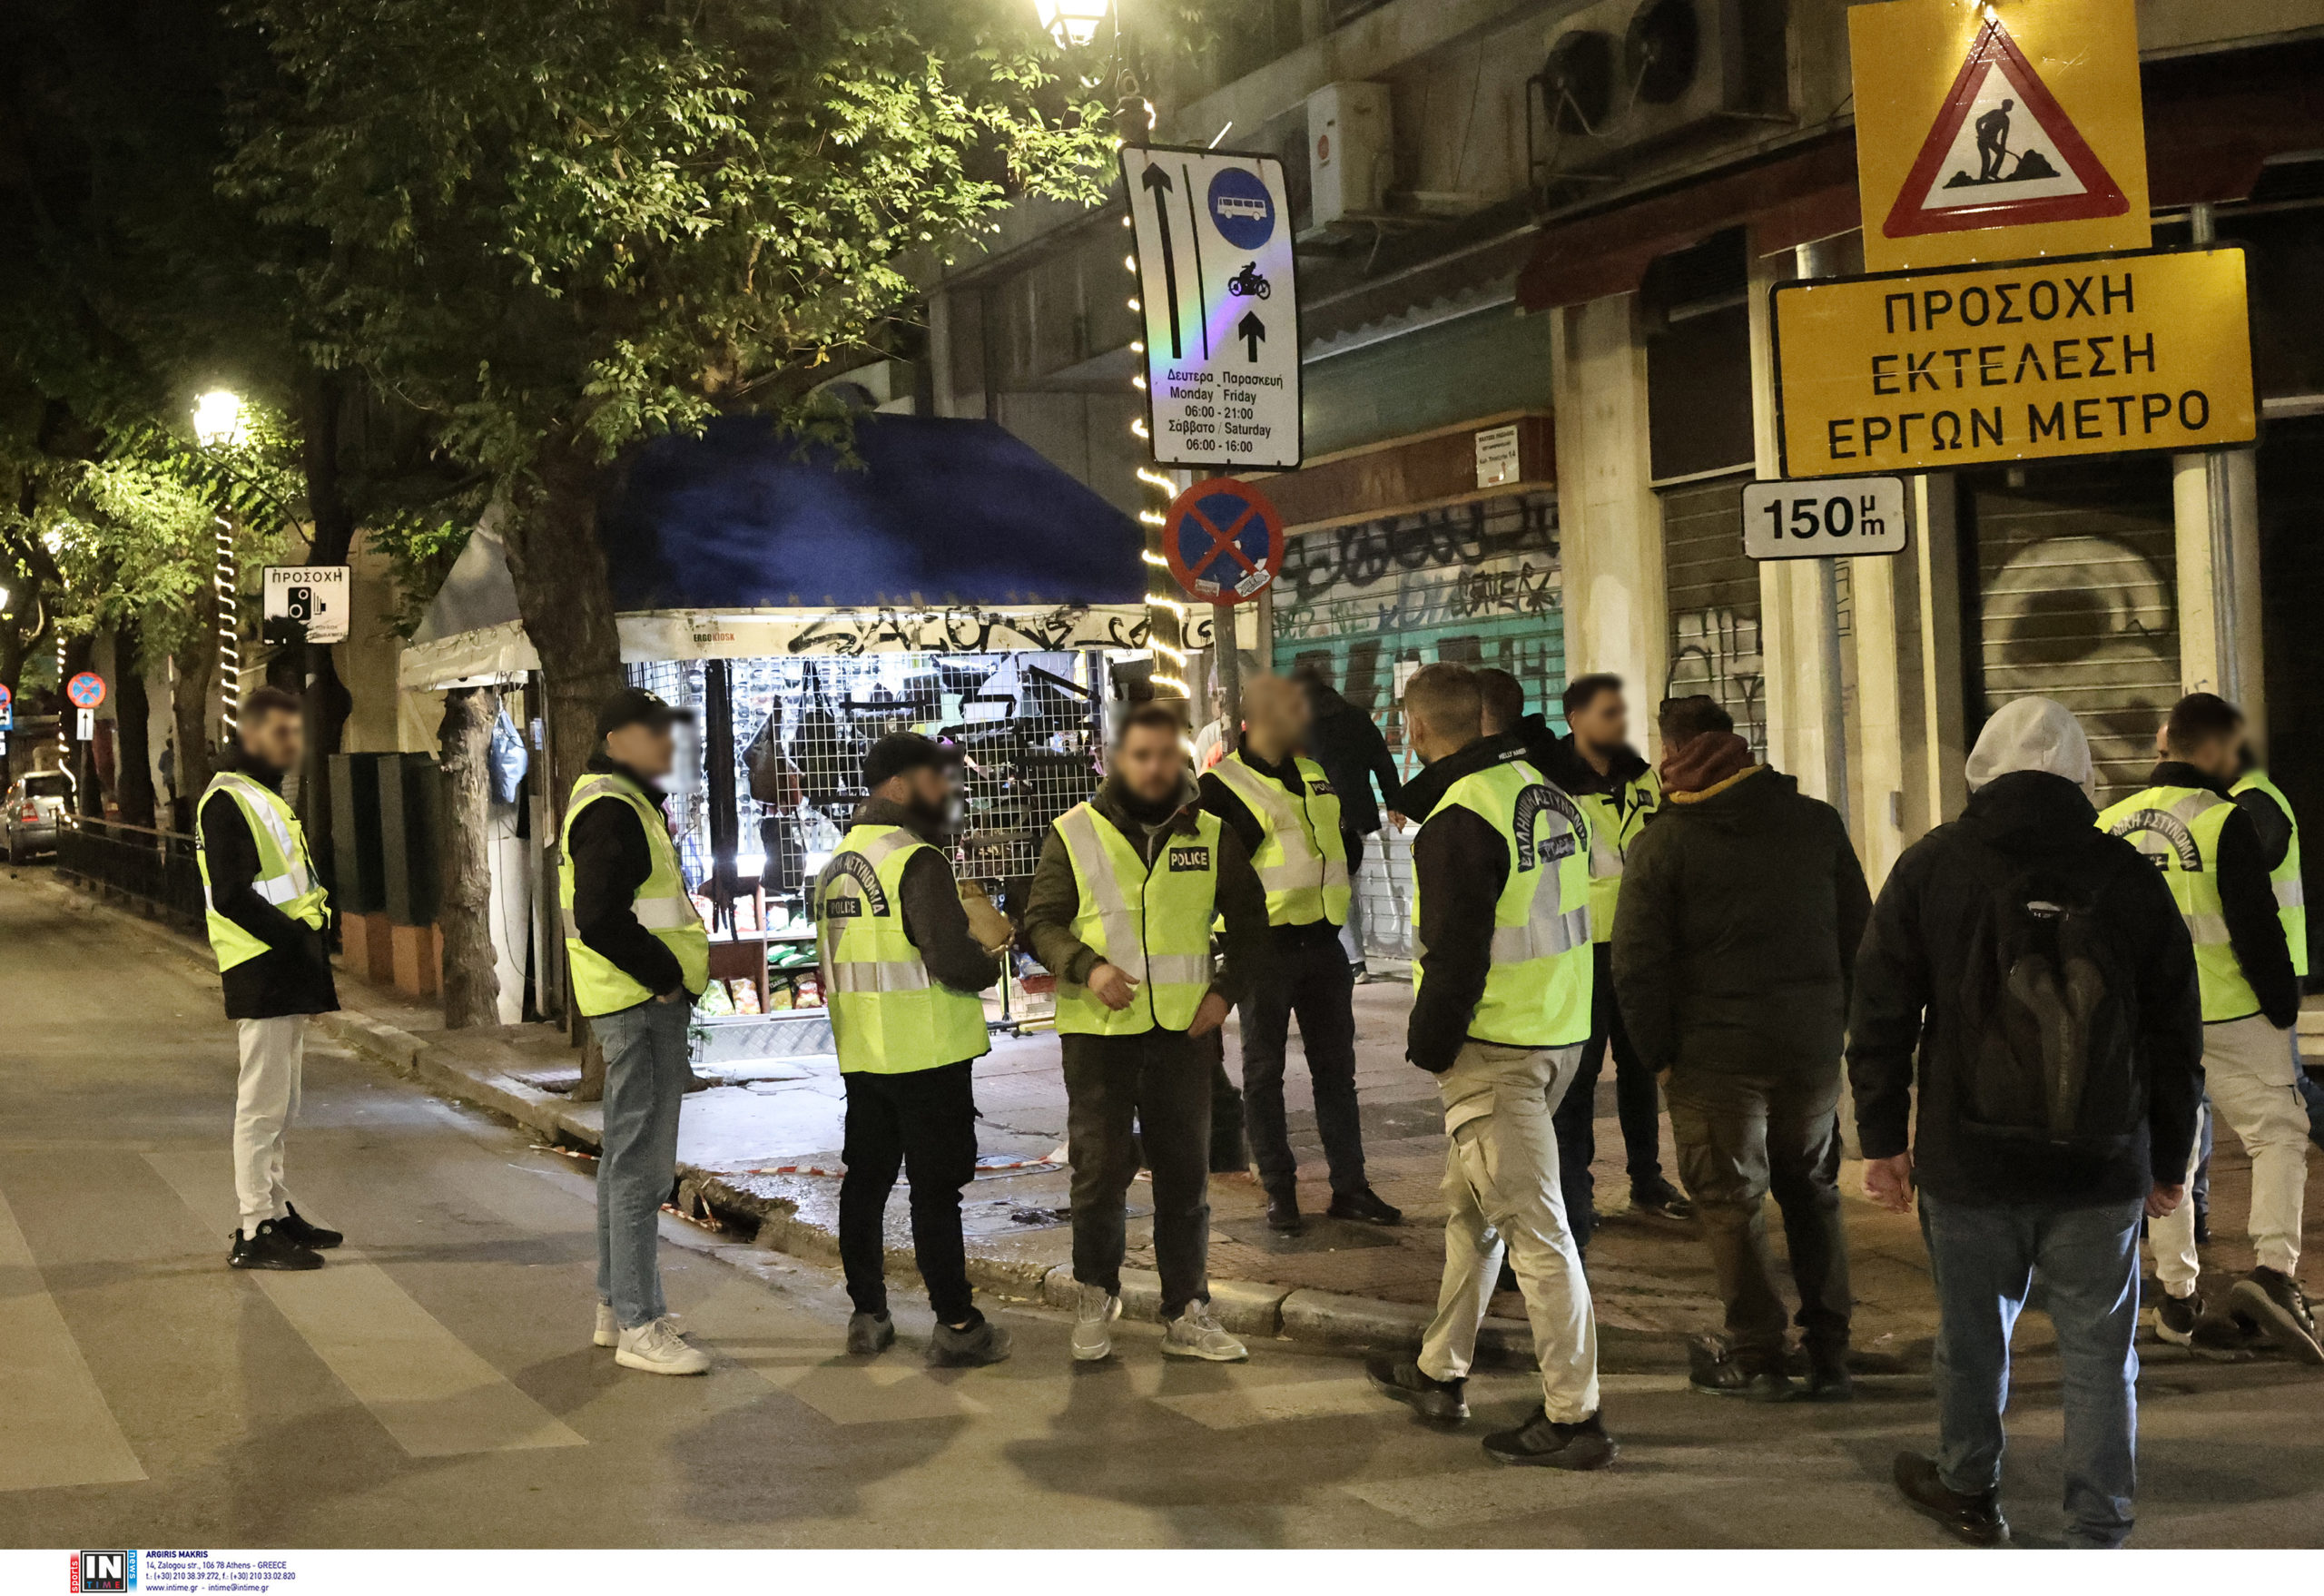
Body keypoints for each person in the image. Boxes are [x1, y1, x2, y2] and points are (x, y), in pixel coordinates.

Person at [1850, 697, 2203, 1549]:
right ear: (2083, 773)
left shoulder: (1934, 866)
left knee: (1972, 1337)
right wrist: (2170, 1159)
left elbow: (1881, 1013)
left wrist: (1884, 1143)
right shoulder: (2127, 875)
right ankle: (2098, 1523)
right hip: (2101, 1160)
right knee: (2100, 1353)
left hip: (1970, 1157)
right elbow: (2174, 1033)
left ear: (1983, 768)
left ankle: (1968, 1486)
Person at [1364, 664, 1616, 1470]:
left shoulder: (1459, 818)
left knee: (1537, 1233)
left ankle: (1575, 1417)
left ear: (1416, 731)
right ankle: (1439, 1370)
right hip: (1558, 1033)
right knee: (1471, 1213)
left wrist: (1432, 1047)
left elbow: (1454, 955)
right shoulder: (1545, 792)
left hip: (1496, 1049)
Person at [1613, 695, 1868, 1402]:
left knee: (1730, 1202)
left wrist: (1659, 1056)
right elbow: (1859, 933)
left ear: (1671, 752)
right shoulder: (1815, 822)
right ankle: (1831, 1352)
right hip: (1808, 1048)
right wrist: (1834, 1024)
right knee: (1813, 1191)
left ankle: (1758, 1353)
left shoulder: (1665, 841)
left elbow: (1636, 964)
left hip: (1712, 1056)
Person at [1023, 701, 1273, 1363]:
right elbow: (1040, 923)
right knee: (1099, 1175)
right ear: (1115, 760)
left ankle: (1187, 1310)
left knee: (1185, 1179)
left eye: (1167, 755)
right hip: (1098, 1034)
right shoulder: (1073, 833)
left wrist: (1224, 995)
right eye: (1142, 755)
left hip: (1182, 1036)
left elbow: (1253, 929)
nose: (1156, 767)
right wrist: (1088, 967)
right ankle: (1095, 1292)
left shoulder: (1212, 834)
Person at [2099, 693, 2317, 1361]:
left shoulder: (2109, 823)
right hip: (2230, 1011)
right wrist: (2282, 1005)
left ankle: (2177, 1300)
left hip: (2148, 1018)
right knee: (2277, 1133)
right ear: (2217, 748)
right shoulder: (2223, 821)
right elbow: (2255, 926)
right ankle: (2274, 1275)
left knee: (2174, 1148)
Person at [817, 732, 1012, 1367]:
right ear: (900, 785)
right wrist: (989, 954)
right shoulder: (916, 860)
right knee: (935, 1192)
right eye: (935, 778)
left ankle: (867, 1316)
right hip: (926, 1054)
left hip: (864, 1053)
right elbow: (952, 960)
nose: (945, 790)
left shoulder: (838, 862)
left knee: (865, 1183)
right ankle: (957, 1323)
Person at [1483, 670, 1690, 1241]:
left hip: (1641, 946)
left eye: (1622, 712)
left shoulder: (1641, 776)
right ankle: (1578, 1193)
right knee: (1579, 1076)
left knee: (1642, 1066)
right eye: (1607, 713)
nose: (1619, 723)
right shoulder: (1551, 781)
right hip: (1583, 947)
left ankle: (1647, 1179)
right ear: (1575, 719)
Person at [1201, 674, 1401, 1232]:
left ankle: (1351, 1187)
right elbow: (1215, 878)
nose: (1306, 717)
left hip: (1323, 944)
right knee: (1264, 1073)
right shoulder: (1221, 787)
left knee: (1337, 1072)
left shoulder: (1313, 772)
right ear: (1262, 717)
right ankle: (1280, 1190)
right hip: (1264, 950)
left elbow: (1339, 842)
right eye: (1294, 708)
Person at [562, 686, 713, 1375]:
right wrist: (663, 977)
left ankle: (618, 1305)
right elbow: (600, 915)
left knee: (625, 1163)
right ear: (616, 739)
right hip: (640, 1004)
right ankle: (638, 1326)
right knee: (641, 1169)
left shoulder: (616, 799)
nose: (667, 744)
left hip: (630, 1003)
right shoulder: (613, 807)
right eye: (654, 732)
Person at [200, 687, 342, 1272]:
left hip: (285, 965)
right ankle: (254, 1226)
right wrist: (292, 941)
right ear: (251, 734)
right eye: (282, 733)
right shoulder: (228, 799)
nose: (293, 745)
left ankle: (277, 1210)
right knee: (261, 1106)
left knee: (284, 1104)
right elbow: (231, 896)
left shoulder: (261, 794)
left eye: (296, 733)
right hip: (262, 966)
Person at [2231, 749, 2323, 1147]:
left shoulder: (2252, 801)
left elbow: (2246, 874)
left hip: (2272, 961)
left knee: (2290, 1084)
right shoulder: (2250, 797)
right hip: (2270, 959)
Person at [1295, 665, 1404, 980]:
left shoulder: (1301, 723)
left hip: (1318, 814)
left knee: (1332, 886)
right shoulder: (1356, 717)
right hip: (1356, 814)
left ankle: (1351, 959)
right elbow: (1383, 761)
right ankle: (1351, 957)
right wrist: (1395, 803)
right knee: (1345, 885)